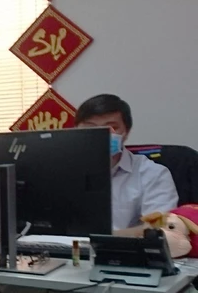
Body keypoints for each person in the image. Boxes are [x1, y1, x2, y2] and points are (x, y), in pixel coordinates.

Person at [75, 94, 178, 235]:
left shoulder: (153, 174)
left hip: (125, 248)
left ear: (126, 132)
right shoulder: (58, 171)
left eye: (112, 127)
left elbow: (160, 229)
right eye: (90, 128)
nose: (100, 135)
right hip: (61, 247)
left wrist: (101, 238)